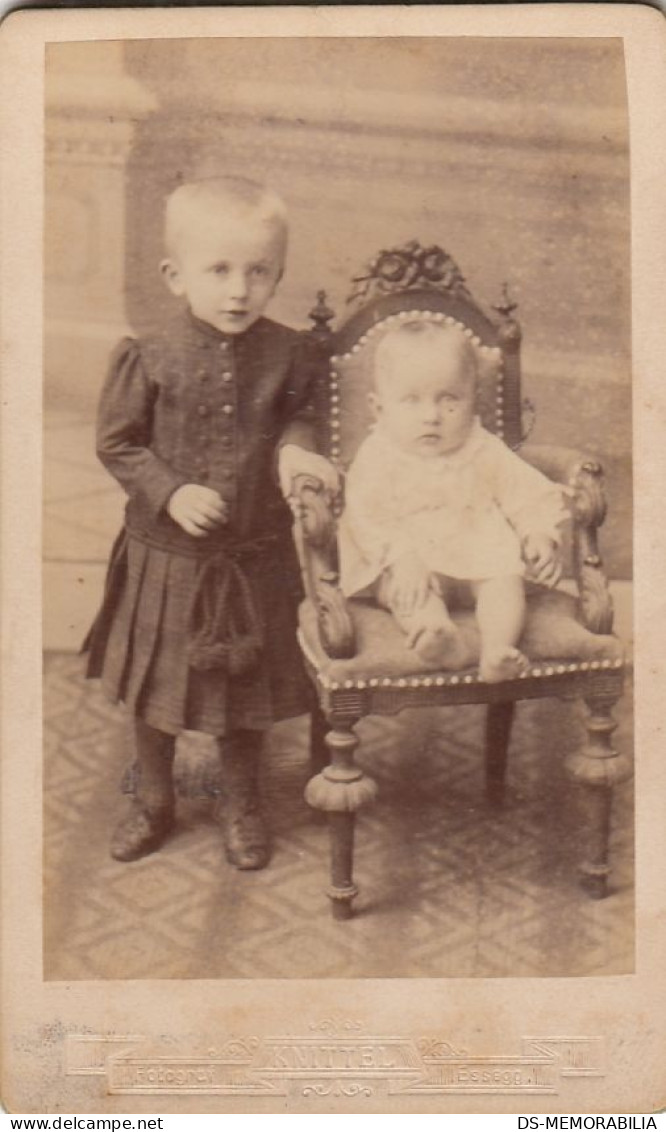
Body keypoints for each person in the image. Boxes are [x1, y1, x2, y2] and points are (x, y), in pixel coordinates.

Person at [85, 176, 337, 867]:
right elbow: (118, 442)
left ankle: (242, 803)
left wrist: (296, 451)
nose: (238, 290)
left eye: (258, 272)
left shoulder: (290, 354)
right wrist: (168, 492)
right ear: (175, 275)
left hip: (252, 558)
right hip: (167, 557)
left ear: (277, 274)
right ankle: (155, 800)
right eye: (219, 270)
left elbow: (302, 417)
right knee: (154, 691)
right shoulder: (150, 352)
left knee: (242, 696)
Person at [338, 319, 567, 683]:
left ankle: (497, 650)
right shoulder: (379, 454)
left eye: (449, 400)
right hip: (412, 559)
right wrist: (402, 558)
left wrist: (538, 532)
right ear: (378, 408)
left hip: (476, 551)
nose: (431, 416)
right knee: (410, 593)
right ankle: (437, 634)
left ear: (472, 399)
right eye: (411, 401)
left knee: (504, 580)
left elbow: (523, 490)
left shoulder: (482, 447)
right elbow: (367, 514)